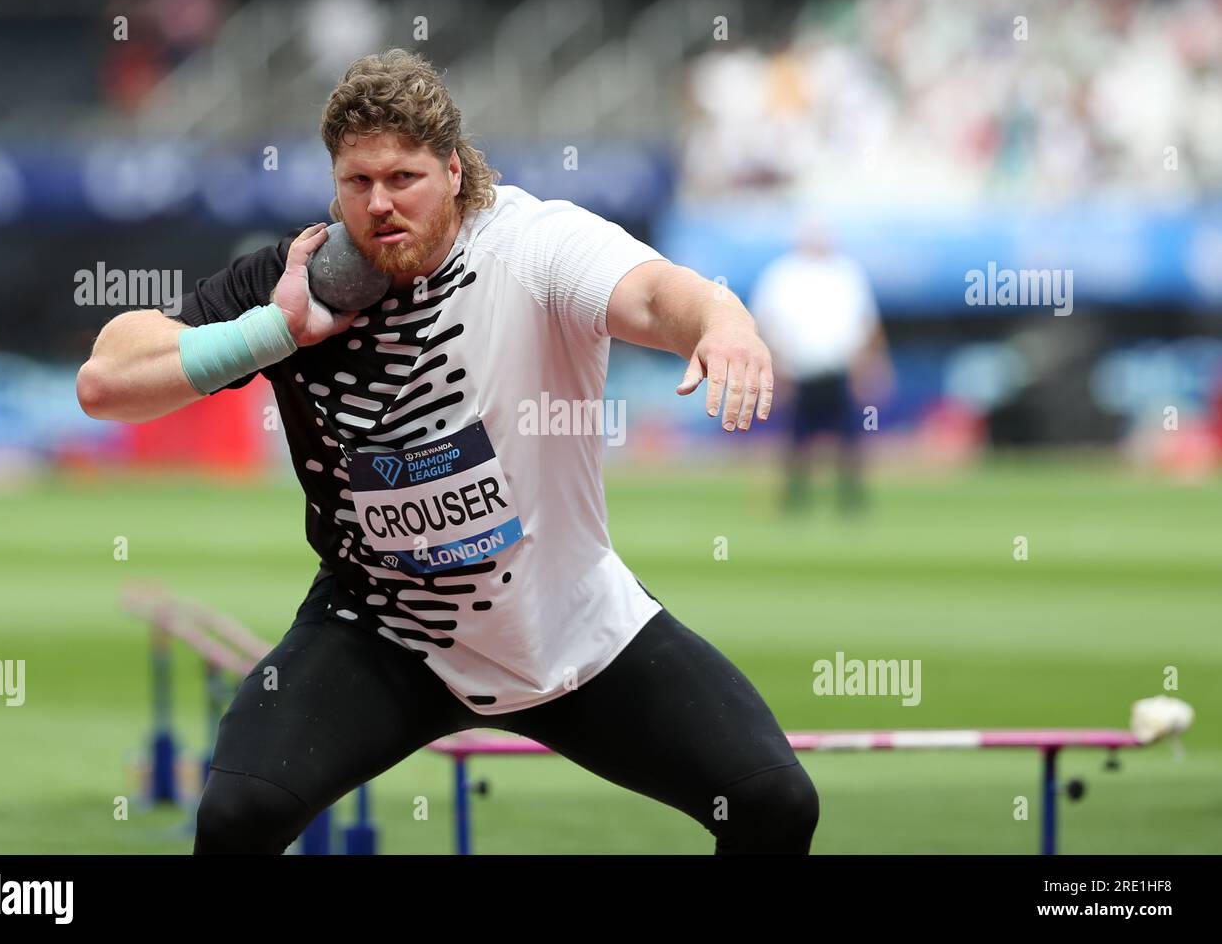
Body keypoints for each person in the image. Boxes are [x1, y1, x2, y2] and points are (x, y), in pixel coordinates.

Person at [76, 48, 819, 854]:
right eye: (357, 183)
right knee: (235, 818)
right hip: (383, 629)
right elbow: (106, 383)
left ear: (456, 172)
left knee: (773, 803)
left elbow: (652, 291)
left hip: (569, 628)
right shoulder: (297, 281)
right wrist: (275, 333)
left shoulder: (535, 246)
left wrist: (723, 323)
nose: (380, 205)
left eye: (404, 178)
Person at [749, 218, 893, 512]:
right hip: (798, 369)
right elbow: (766, 322)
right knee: (796, 440)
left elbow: (867, 321)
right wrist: (775, 365)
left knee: (849, 440)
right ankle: (795, 499)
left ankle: (850, 501)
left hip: (839, 367)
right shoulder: (782, 273)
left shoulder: (846, 272)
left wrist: (873, 363)